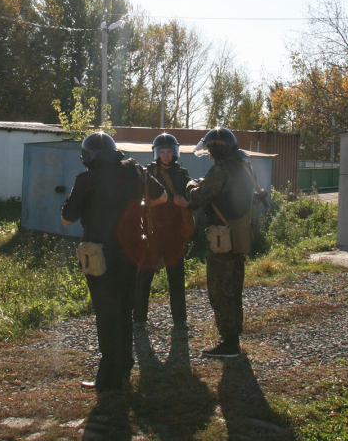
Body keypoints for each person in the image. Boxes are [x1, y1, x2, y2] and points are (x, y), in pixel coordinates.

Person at [62, 131, 167, 392]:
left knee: (106, 313)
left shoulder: (85, 179)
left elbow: (67, 218)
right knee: (124, 309)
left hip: (99, 253)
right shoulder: (135, 171)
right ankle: (124, 366)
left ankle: (108, 378)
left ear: (88, 156)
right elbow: (161, 197)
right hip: (131, 251)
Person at [186, 127, 259, 358]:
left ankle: (229, 344)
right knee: (235, 288)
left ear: (216, 150)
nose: (208, 154)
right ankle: (234, 335)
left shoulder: (221, 170)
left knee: (220, 290)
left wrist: (190, 186)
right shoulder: (244, 166)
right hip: (239, 235)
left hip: (222, 239)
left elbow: (197, 198)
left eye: (209, 149)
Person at [134, 133, 194, 331]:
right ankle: (139, 318)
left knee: (176, 278)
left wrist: (183, 203)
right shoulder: (147, 172)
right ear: (156, 153)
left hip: (175, 232)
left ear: (174, 153)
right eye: (162, 151)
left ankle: (180, 320)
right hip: (153, 232)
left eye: (169, 151)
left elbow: (190, 200)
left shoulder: (182, 173)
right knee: (144, 276)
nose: (166, 155)